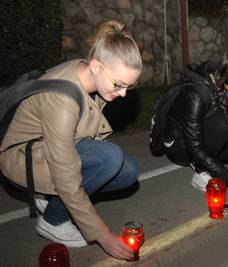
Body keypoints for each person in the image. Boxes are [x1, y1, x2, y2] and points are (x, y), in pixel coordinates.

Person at [0, 20, 142, 260]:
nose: (123, 93)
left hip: (46, 147)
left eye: (130, 86)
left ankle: (50, 196)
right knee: (108, 158)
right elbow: (66, 172)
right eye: (119, 84)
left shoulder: (85, 71)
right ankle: (54, 221)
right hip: (21, 157)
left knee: (129, 171)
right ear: (96, 66)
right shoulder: (63, 99)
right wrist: (102, 234)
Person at [162, 48, 228, 194]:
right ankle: (201, 172)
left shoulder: (227, 84)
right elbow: (194, 146)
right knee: (224, 124)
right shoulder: (196, 93)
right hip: (180, 146)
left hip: (206, 135)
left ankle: (210, 161)